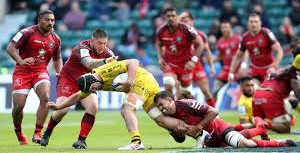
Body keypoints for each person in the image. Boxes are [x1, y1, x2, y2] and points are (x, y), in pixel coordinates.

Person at [47, 59, 190, 150]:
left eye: (94, 88)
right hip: (147, 86)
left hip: (141, 81)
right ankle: (195, 131)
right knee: (160, 120)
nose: (95, 91)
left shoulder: (104, 71)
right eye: (93, 91)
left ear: (92, 81)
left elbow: (133, 62)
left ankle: (136, 142)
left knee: (127, 109)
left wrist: (129, 81)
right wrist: (60, 106)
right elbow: (78, 96)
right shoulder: (90, 84)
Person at [40, 29, 116, 148]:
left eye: (105, 43)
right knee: (62, 110)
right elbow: (88, 63)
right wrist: (105, 61)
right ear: (92, 41)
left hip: (86, 82)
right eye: (100, 43)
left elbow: (114, 68)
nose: (102, 46)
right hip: (68, 79)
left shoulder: (107, 52)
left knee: (93, 106)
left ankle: (81, 140)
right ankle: (47, 132)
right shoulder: (81, 48)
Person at [154, 91, 297, 148]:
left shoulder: (186, 103)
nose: (161, 108)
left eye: (162, 104)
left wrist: (199, 126)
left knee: (246, 145)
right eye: (158, 107)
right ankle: (260, 128)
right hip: (209, 141)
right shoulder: (169, 119)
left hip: (220, 129)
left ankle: (279, 143)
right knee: (236, 142)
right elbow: (180, 140)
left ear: (170, 100)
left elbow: (213, 111)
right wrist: (176, 133)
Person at [6, 9, 63, 145]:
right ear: (39, 20)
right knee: (19, 106)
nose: (50, 23)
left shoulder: (55, 39)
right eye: (47, 20)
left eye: (52, 20)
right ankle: (19, 132)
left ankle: (38, 132)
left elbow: (57, 58)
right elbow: (10, 47)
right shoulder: (27, 33)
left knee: (45, 97)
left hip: (40, 72)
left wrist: (60, 73)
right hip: (22, 72)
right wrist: (20, 60)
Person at [155, 7, 205, 98]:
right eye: (168, 16)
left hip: (185, 66)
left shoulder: (187, 29)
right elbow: (158, 44)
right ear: (165, 18)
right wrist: (160, 58)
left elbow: (200, 44)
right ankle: (171, 110)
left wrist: (193, 61)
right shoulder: (161, 31)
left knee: (185, 94)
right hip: (170, 64)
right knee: (168, 83)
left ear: (177, 17)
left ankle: (191, 108)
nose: (171, 18)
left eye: (173, 16)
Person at [228, 13, 283, 84]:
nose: (253, 24)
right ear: (248, 23)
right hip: (255, 70)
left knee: (269, 91)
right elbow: (238, 56)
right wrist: (231, 72)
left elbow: (280, 51)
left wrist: (274, 66)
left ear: (260, 23)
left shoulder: (266, 33)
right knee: (253, 89)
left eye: (256, 22)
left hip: (268, 69)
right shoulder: (245, 37)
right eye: (251, 22)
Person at [252, 54, 300, 133]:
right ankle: (266, 124)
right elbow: (297, 92)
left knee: (256, 124)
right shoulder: (294, 73)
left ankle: (237, 127)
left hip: (257, 95)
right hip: (270, 96)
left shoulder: (281, 70)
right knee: (286, 128)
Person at [178, 11, 215, 107]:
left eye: (187, 21)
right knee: (183, 94)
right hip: (184, 67)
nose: (186, 24)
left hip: (197, 66)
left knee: (206, 91)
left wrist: (212, 67)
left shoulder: (200, 35)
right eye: (183, 21)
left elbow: (207, 51)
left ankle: (215, 115)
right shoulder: (179, 36)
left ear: (192, 21)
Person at [213, 21, 244, 96]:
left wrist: (243, 66)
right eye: (222, 27)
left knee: (243, 90)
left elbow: (245, 53)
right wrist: (211, 61)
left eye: (226, 27)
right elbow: (220, 55)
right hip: (226, 70)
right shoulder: (220, 41)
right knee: (215, 89)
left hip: (237, 69)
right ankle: (214, 107)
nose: (224, 29)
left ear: (231, 28)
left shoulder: (238, 39)